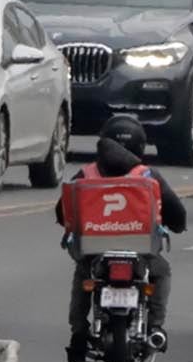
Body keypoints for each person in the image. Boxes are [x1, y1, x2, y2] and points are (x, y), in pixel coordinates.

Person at [54, 113, 185, 344]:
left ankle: (78, 330)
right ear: (140, 146)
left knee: (84, 273)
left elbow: (63, 211)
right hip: (141, 251)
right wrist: (176, 225)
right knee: (161, 272)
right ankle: (155, 327)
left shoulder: (86, 174)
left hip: (94, 251)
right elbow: (177, 214)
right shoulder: (148, 175)